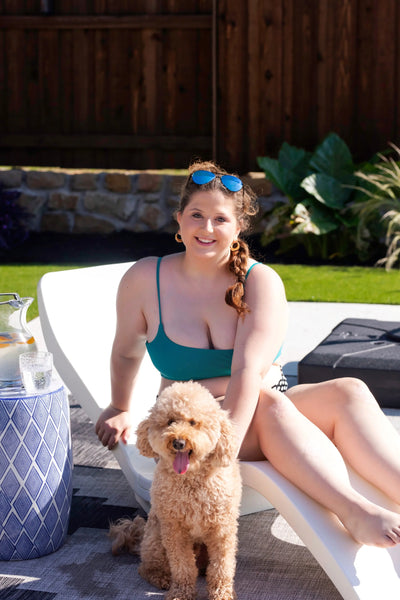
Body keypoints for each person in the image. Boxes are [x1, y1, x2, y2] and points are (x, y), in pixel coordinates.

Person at [96, 159, 400, 548]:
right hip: (190, 432)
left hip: (248, 410)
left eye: (220, 219)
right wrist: (120, 406)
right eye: (196, 215)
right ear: (179, 219)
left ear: (239, 227)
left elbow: (246, 375)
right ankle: (354, 511)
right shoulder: (145, 279)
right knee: (270, 402)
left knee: (349, 390)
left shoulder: (259, 282)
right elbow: (125, 352)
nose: (206, 228)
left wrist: (226, 443)